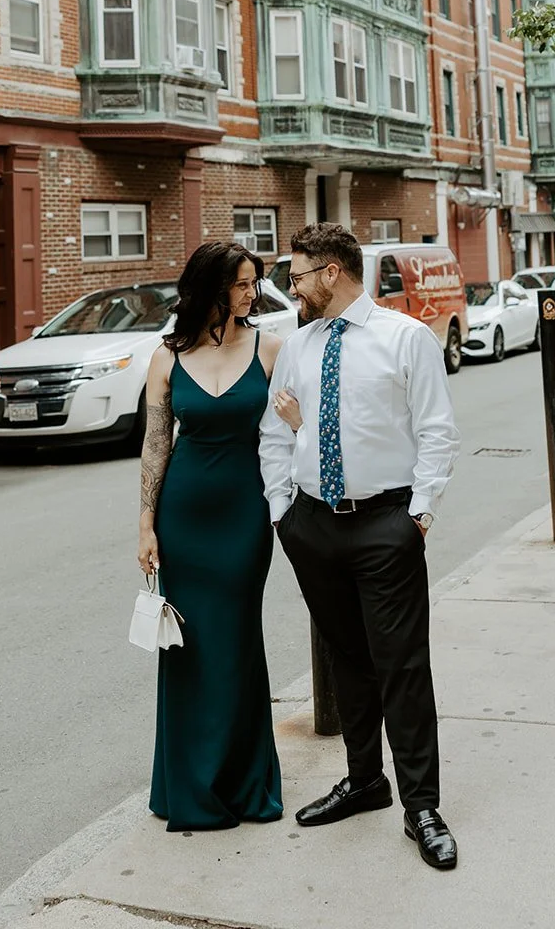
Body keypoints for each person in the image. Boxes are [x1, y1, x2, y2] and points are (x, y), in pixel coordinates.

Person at [259, 222, 461, 871]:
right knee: (347, 661)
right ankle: (363, 780)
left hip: (385, 525)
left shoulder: (404, 339)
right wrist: (282, 512)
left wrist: (419, 514)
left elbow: (436, 430)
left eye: (296, 276)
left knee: (400, 666)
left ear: (331, 274)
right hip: (313, 525)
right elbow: (273, 430)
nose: (290, 287)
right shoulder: (297, 344)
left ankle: (421, 806)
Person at [138, 241, 298, 830]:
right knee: (187, 652)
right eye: (240, 284)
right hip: (183, 518)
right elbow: (156, 444)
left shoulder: (271, 348)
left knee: (234, 644)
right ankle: (188, 786)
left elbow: (294, 427)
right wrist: (146, 525)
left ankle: (243, 782)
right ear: (208, 288)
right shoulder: (166, 356)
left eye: (254, 283)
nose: (250, 294)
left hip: (244, 516)